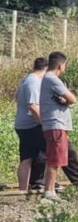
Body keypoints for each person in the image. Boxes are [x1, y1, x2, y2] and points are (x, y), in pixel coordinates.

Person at [37, 51, 76, 200]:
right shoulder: (53, 79)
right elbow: (72, 98)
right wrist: (68, 100)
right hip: (56, 123)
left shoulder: (48, 79)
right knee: (55, 158)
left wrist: (65, 100)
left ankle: (51, 189)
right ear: (61, 64)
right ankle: (49, 191)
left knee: (55, 157)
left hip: (54, 123)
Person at [13, 57, 46, 193]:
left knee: (27, 157)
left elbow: (17, 98)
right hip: (31, 124)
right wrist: (44, 123)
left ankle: (24, 189)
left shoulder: (26, 79)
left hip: (22, 124)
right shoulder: (34, 82)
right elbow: (33, 106)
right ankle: (42, 183)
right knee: (47, 152)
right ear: (46, 69)